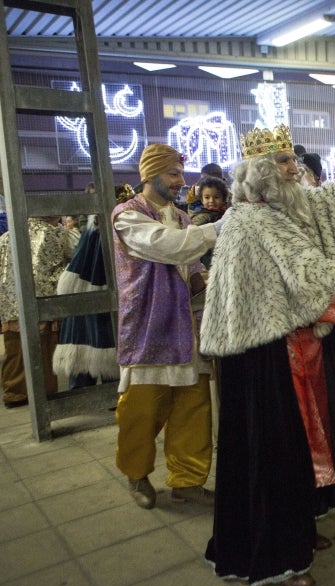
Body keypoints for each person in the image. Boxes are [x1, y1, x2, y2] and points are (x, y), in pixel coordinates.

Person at [200, 118, 335, 586]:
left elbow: (333, 201)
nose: (294, 168)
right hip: (262, 354)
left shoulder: (281, 207)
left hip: (285, 347)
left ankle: (296, 529)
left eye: (293, 159)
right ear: (260, 172)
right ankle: (278, 558)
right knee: (276, 453)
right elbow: (307, 273)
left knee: (297, 449)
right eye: (283, 162)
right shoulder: (254, 219)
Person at [112, 143, 225, 509]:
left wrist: (207, 279)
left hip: (187, 328)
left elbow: (191, 265)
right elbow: (170, 247)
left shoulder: (182, 217)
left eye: (180, 173)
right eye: (173, 174)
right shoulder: (127, 216)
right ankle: (137, 474)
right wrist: (222, 227)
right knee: (141, 412)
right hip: (149, 328)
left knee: (193, 408)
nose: (181, 181)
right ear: (150, 175)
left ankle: (188, 479)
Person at [53, 184, 135, 389]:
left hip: (89, 295)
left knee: (91, 340)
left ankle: (86, 389)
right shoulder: (103, 229)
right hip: (98, 296)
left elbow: (71, 275)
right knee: (105, 339)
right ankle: (113, 388)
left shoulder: (95, 229)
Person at [0, 216, 68, 408]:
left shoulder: (6, 235)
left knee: (15, 349)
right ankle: (43, 390)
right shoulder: (49, 233)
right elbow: (56, 269)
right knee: (43, 349)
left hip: (10, 301)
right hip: (40, 301)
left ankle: (15, 392)